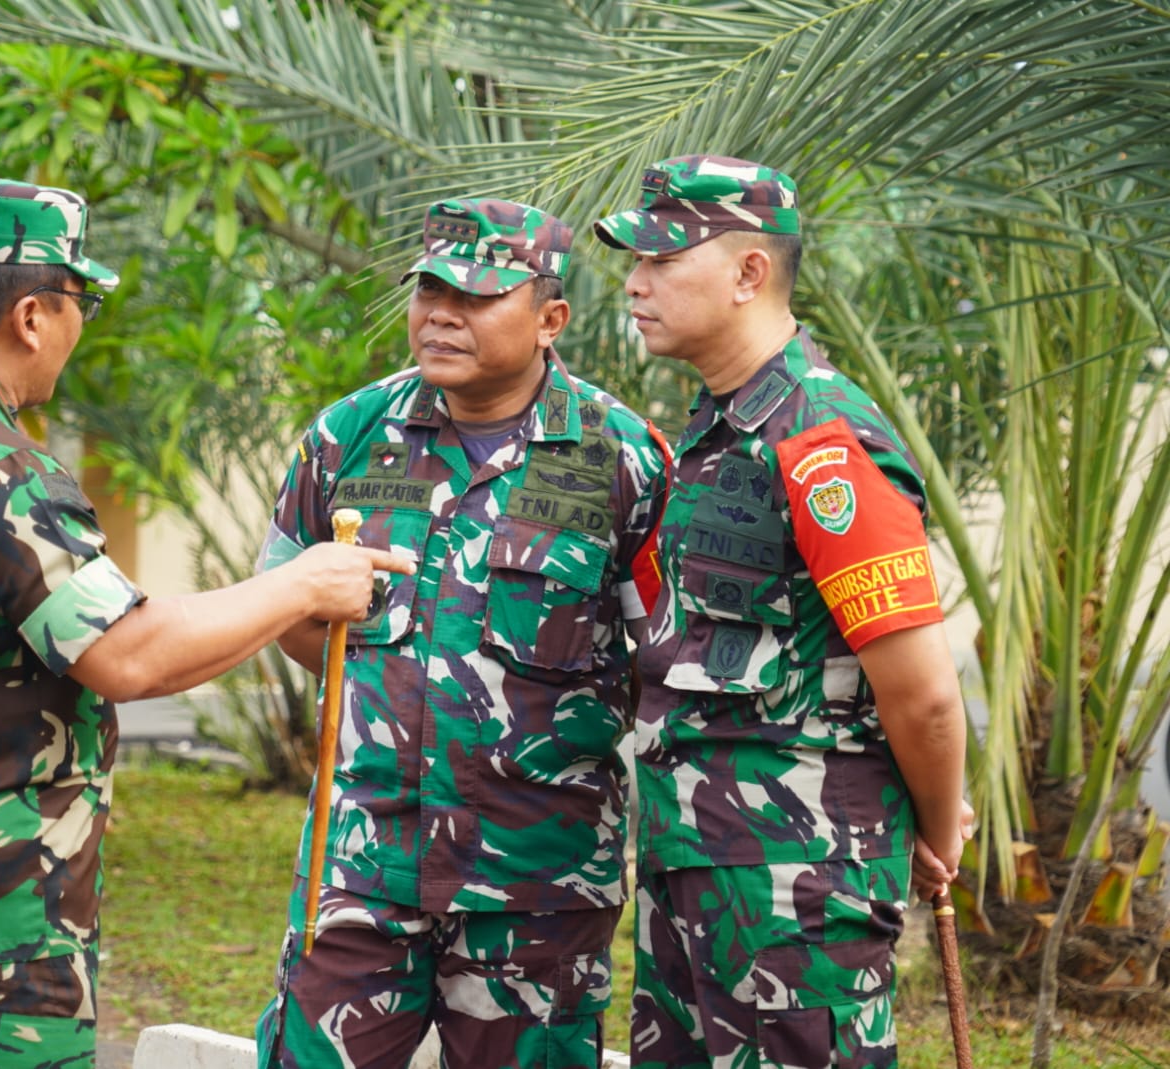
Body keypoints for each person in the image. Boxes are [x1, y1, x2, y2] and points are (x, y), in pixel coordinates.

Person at [0, 175, 412, 1069]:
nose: (78, 327)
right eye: (83, 301)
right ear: (31, 314)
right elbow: (129, 655)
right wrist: (306, 585)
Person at [252, 199, 670, 1069]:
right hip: (361, 864)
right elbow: (283, 610)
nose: (441, 312)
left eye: (476, 295)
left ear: (551, 318)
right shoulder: (348, 437)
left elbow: (661, 661)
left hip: (538, 882)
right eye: (430, 288)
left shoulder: (623, 458)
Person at [592, 156, 976, 1069]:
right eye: (633, 261)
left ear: (749, 273)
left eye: (660, 260)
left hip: (799, 887)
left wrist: (936, 820)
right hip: (696, 869)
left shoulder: (824, 444)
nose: (635, 283)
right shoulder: (722, 426)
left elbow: (921, 693)